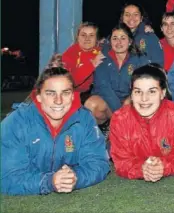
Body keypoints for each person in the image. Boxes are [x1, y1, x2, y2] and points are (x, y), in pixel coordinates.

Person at [1, 67, 110, 195]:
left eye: (65, 93)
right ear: (39, 96)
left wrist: (76, 178)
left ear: (73, 96)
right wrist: (48, 182)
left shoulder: (85, 119)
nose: (58, 100)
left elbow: (98, 162)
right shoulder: (16, 123)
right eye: (50, 93)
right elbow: (6, 177)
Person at [109, 64, 174, 181]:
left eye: (151, 92)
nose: (144, 99)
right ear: (131, 94)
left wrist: (163, 166)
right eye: (138, 92)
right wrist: (142, 169)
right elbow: (121, 161)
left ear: (162, 93)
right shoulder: (120, 119)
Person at [87, 24, 152, 127]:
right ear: (110, 41)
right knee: (91, 104)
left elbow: (145, 85)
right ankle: (107, 128)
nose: (119, 42)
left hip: (130, 101)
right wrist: (119, 115)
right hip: (108, 103)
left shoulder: (140, 60)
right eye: (115, 38)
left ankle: (125, 128)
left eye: (123, 38)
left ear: (130, 41)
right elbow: (104, 89)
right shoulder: (102, 58)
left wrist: (129, 100)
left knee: (129, 102)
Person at [101, 3, 164, 67]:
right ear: (122, 18)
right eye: (127, 15)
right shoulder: (113, 37)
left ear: (141, 18)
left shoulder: (149, 37)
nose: (131, 18)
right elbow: (103, 58)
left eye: (135, 14)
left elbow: (159, 63)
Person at [60, 21, 104, 96]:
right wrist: (92, 64)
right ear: (78, 37)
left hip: (97, 93)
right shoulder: (70, 53)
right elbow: (71, 81)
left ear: (96, 39)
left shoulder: (101, 52)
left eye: (91, 35)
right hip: (73, 94)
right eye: (83, 35)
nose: (87, 38)